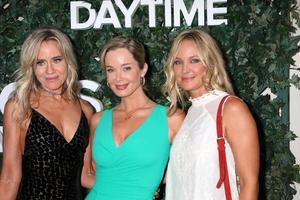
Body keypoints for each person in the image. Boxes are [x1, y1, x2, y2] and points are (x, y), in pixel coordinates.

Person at [163, 29, 260, 199]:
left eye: (194, 60)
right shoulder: (191, 113)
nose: (185, 69)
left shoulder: (231, 108)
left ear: (211, 63)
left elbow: (249, 184)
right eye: (178, 62)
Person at [0, 26, 94, 199]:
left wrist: (138, 185)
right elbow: (9, 177)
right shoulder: (19, 107)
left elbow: (87, 176)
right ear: (32, 67)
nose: (49, 70)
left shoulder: (86, 110)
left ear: (68, 61)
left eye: (57, 60)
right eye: (40, 62)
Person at [85, 36, 184, 200]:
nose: (118, 78)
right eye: (111, 70)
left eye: (126, 68)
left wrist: (155, 182)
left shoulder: (171, 118)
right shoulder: (98, 120)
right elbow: (89, 174)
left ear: (143, 69)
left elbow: (188, 168)